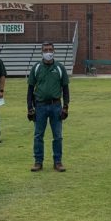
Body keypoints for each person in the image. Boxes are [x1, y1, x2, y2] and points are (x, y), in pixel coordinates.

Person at [27, 41, 70, 172]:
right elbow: (30, 89)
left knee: (57, 135)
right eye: (45, 50)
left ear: (54, 51)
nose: (48, 52)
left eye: (50, 50)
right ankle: (38, 162)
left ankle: (58, 162)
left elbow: (65, 88)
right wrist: (30, 108)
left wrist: (66, 106)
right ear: (42, 51)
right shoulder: (36, 68)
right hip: (39, 106)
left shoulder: (59, 68)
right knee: (38, 135)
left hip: (56, 105)